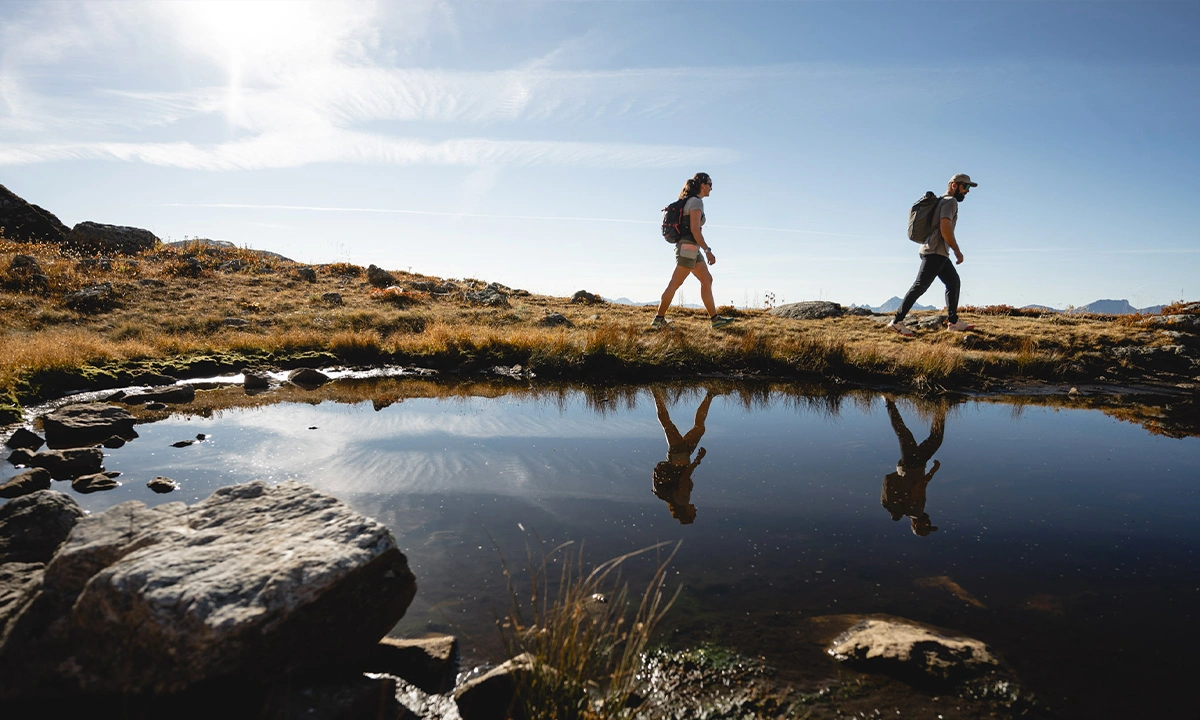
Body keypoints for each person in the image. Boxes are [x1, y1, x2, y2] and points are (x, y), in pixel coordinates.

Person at [887, 173, 979, 337]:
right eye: (965, 186)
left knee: (953, 282)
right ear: (954, 185)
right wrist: (957, 250)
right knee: (920, 286)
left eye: (968, 187)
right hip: (935, 252)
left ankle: (953, 322)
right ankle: (896, 322)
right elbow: (945, 227)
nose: (967, 191)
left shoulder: (941, 201)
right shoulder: (950, 202)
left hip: (936, 251)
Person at [651, 172, 736, 330]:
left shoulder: (690, 201)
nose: (712, 188)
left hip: (691, 248)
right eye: (710, 184)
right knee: (675, 283)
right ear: (702, 185)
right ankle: (658, 319)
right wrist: (707, 250)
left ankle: (715, 319)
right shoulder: (696, 202)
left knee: (707, 279)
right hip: (688, 248)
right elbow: (695, 230)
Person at [880, 397, 945, 536]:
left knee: (906, 434)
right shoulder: (907, 510)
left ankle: (889, 402)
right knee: (927, 438)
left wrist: (932, 472)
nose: (929, 522)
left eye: (927, 525)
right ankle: (941, 405)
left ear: (917, 525)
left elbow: (918, 488)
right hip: (910, 466)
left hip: (912, 466)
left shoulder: (916, 511)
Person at [650, 387, 715, 524]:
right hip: (681, 456)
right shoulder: (674, 499)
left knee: (667, 423)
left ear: (687, 513)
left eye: (693, 514)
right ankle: (710, 394)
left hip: (679, 455)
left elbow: (685, 476)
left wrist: (697, 461)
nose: (695, 511)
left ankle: (656, 391)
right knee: (699, 428)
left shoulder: (683, 499)